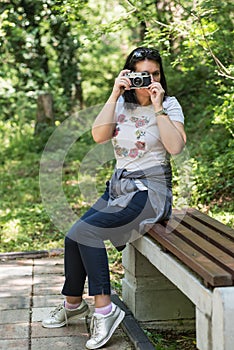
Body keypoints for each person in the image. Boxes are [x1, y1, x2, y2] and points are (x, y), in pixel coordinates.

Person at [42, 47, 186, 349]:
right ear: (129, 75)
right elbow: (98, 135)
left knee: (86, 232)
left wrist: (157, 106)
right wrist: (114, 94)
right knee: (74, 235)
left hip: (151, 191)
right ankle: (72, 304)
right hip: (119, 188)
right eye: (141, 75)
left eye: (154, 74)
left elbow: (175, 148)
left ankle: (105, 311)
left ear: (161, 75)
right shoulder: (120, 103)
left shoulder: (170, 105)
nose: (148, 81)